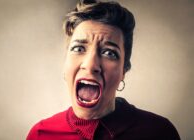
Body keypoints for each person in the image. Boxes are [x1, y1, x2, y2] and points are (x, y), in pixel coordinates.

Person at [26, 0, 180, 139]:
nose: (91, 65)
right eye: (78, 48)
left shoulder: (159, 132)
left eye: (109, 53)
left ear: (124, 71)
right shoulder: (40, 134)